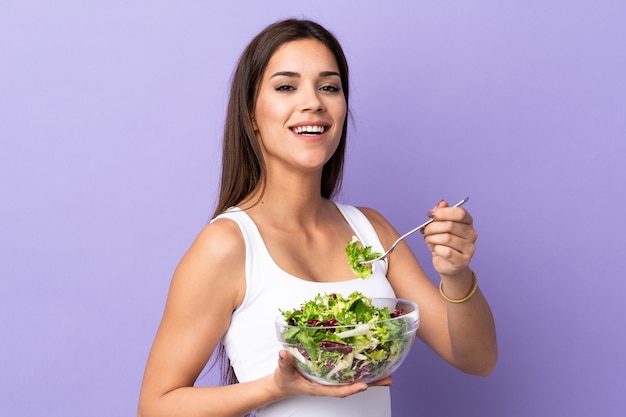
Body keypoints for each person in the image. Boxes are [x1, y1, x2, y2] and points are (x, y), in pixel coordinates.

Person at [137, 18, 497, 417]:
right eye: (286, 86)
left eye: (329, 87)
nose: (313, 102)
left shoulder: (371, 230)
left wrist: (456, 273)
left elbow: (477, 360)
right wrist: (274, 387)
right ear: (251, 113)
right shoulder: (228, 243)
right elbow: (156, 406)